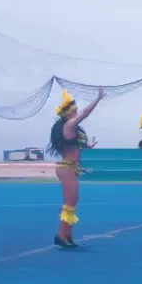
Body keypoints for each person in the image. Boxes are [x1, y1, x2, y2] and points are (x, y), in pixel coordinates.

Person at [47, 88, 103, 248]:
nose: (77, 112)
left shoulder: (72, 128)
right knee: (70, 202)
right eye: (74, 110)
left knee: (72, 201)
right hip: (67, 167)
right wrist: (97, 99)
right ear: (69, 113)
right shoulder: (69, 124)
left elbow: (75, 146)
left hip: (71, 167)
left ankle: (67, 235)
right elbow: (85, 113)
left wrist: (87, 146)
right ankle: (61, 235)